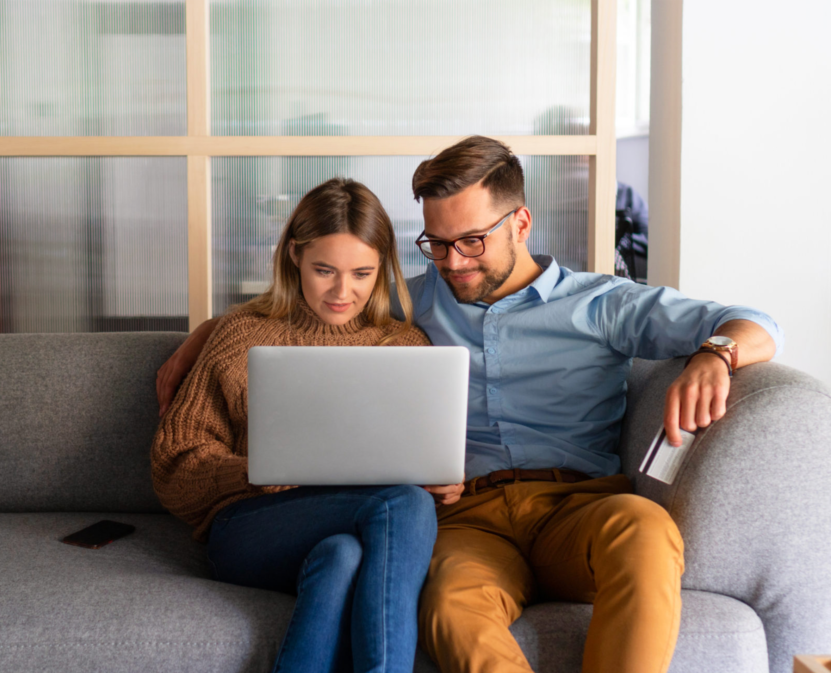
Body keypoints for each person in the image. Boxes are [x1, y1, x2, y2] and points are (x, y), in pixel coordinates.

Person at [157, 138, 784, 673]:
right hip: (468, 519)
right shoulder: (412, 303)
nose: (454, 262)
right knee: (451, 608)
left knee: (646, 531)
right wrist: (211, 329)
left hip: (579, 506)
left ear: (521, 223)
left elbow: (754, 321)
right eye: (437, 243)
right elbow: (317, 301)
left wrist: (716, 354)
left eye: (472, 241)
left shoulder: (603, 303)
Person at [151, 177, 439, 673]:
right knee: (403, 503)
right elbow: (172, 467)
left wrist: (439, 478)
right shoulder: (242, 334)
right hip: (249, 529)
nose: (342, 292)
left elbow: (413, 460)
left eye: (362, 273)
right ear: (293, 257)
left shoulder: (404, 347)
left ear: (384, 269)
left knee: (342, 557)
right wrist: (258, 470)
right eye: (324, 270)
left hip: (356, 529)